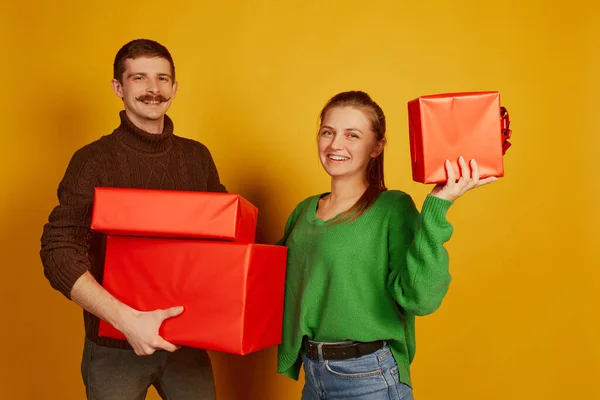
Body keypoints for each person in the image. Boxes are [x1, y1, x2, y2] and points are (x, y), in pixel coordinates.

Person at [276, 90, 496, 399]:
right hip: (314, 375)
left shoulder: (392, 208)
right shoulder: (304, 211)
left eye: (352, 135)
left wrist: (439, 203)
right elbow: (269, 280)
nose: (335, 144)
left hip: (369, 378)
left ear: (377, 147)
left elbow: (422, 298)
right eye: (328, 132)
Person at [40, 39, 225, 400]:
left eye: (162, 79)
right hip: (114, 346)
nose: (153, 89)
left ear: (174, 87)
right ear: (118, 87)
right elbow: (58, 252)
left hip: (186, 342)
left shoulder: (197, 158)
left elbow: (220, 242)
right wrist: (126, 320)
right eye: (139, 78)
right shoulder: (92, 160)